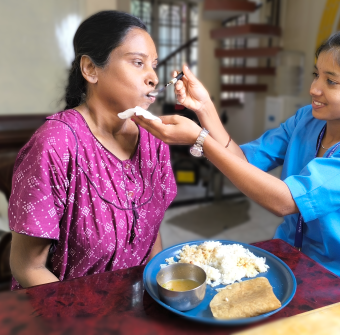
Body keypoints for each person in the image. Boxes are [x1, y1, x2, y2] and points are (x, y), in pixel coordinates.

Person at [133, 32, 340, 277]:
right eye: (316, 75)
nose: (314, 89)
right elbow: (243, 161)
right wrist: (204, 106)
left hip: (329, 276)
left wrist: (200, 139)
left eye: (331, 81)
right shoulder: (306, 119)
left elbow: (285, 201)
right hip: (286, 253)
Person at [9, 11, 177, 289]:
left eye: (154, 65)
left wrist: (155, 296)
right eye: (138, 62)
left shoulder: (153, 138)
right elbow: (28, 267)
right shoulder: (56, 144)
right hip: (67, 315)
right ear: (90, 69)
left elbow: (150, 232)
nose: (153, 78)